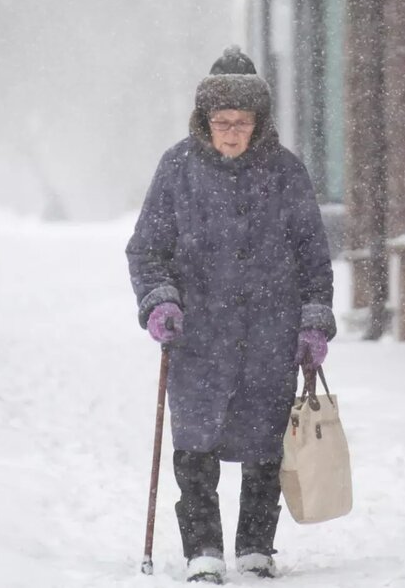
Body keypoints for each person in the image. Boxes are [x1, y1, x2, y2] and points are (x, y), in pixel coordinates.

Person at [126, 47, 335, 583]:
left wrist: (312, 322)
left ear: (259, 123)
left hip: (269, 332)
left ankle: (255, 549)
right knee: (195, 445)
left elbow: (313, 255)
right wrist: (161, 301)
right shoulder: (177, 168)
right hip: (198, 337)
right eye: (222, 122)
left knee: (266, 444)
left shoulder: (287, 172)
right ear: (205, 121)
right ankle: (202, 551)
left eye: (243, 122)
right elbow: (148, 250)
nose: (233, 132)